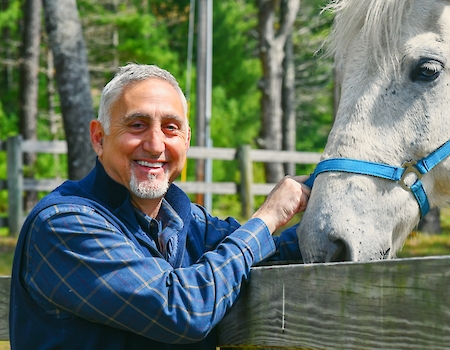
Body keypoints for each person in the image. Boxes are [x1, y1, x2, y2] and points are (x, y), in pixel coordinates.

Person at [9, 63, 310, 349]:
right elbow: (181, 309)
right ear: (99, 138)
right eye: (137, 125)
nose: (155, 145)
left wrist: (334, 196)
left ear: (187, 140)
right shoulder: (63, 224)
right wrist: (267, 216)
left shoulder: (188, 222)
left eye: (170, 128)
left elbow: (274, 253)